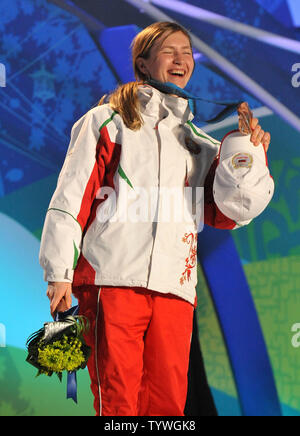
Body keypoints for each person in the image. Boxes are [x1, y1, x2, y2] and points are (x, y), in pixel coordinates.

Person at [40, 21, 273, 416]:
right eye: (169, 51)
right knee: (119, 404)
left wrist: (245, 157)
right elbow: (69, 199)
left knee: (167, 408)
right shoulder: (106, 123)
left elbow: (228, 212)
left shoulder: (199, 145)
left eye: (187, 52)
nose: (181, 59)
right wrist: (59, 271)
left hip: (174, 291)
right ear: (143, 64)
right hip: (111, 282)